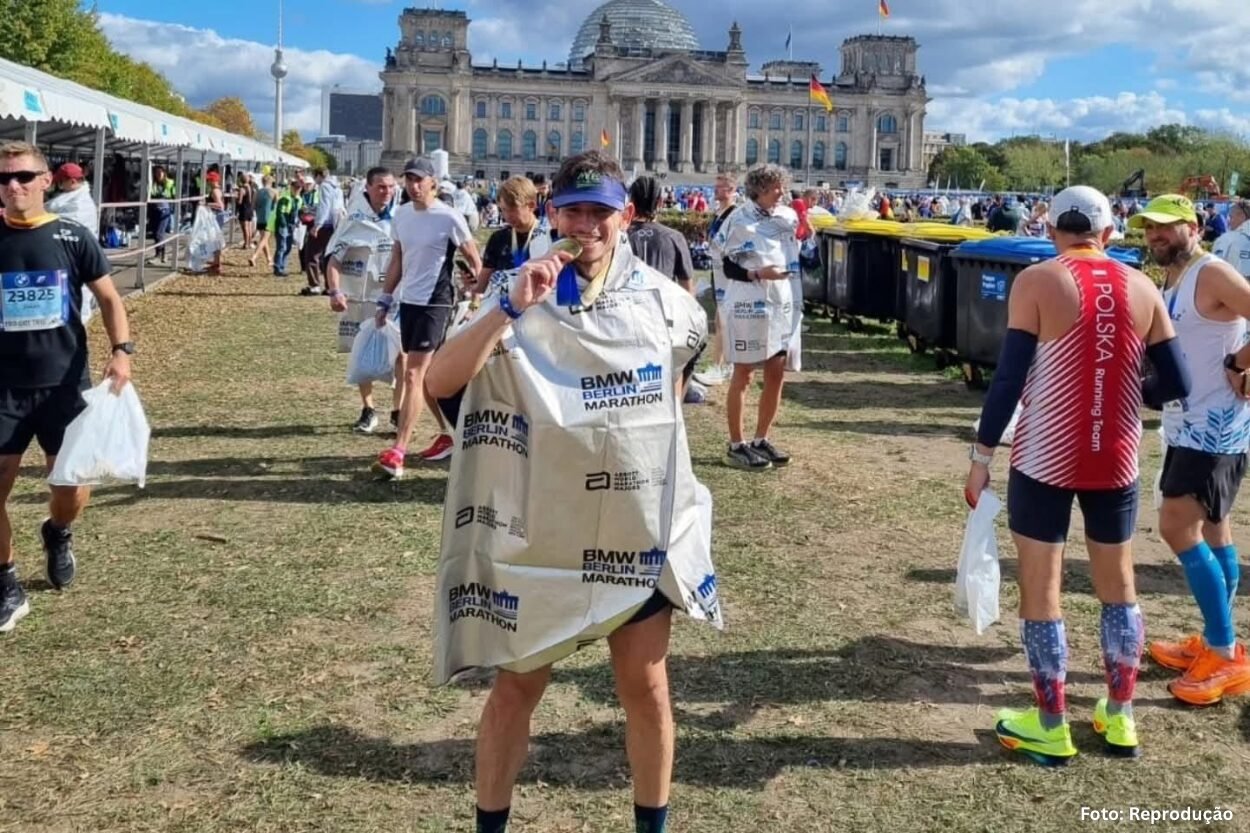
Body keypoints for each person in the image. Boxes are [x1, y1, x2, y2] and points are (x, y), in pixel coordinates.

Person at [423, 149, 719, 833]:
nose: (586, 226)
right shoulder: (517, 288)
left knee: (646, 689)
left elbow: (673, 393)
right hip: (543, 529)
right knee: (516, 688)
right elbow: (440, 381)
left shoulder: (667, 302)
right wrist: (506, 306)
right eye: (574, 210)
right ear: (551, 212)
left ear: (627, 215)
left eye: (600, 211)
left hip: (634, 529)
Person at [965, 185, 1190, 763]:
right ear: (1109, 234)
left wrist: (982, 455)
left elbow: (1009, 379)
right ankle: (1120, 716)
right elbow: (1178, 384)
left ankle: (1051, 723)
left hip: (1044, 455)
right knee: (1119, 585)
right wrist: (1119, 390)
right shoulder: (1142, 286)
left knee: (1043, 588)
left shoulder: (1037, 281)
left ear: (1050, 230)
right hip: (1115, 454)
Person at [0, 141, 135, 633]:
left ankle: (58, 532)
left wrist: (122, 352)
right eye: (3, 179)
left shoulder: (74, 237)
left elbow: (110, 299)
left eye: (22, 177)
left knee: (70, 487)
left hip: (62, 383)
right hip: (4, 387)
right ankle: (7, 581)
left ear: (46, 181)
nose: (12, 186)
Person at [1130, 194, 1250, 706]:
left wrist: (1242, 361)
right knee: (1214, 529)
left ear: (1193, 226)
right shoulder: (1175, 278)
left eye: (1165, 226)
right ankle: (1218, 638)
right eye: (1148, 228)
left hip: (1215, 427)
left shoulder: (1212, 272)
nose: (1154, 235)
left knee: (1176, 525)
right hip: (1189, 423)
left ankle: (1223, 654)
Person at [372, 157, 482, 478]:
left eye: (419, 179)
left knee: (412, 374)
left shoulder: (449, 217)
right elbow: (398, 258)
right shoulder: (402, 215)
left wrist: (477, 294)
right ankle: (453, 432)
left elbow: (474, 260)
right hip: (410, 302)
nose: (413, 185)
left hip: (437, 302)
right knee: (428, 378)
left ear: (433, 182)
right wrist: (385, 297)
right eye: (409, 179)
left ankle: (398, 451)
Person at [715, 164, 799, 471]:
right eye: (774, 187)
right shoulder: (739, 219)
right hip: (749, 302)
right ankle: (737, 444)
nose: (781, 192)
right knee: (745, 374)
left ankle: (761, 438)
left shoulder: (787, 217)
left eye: (781, 186)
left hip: (780, 303)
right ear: (758, 190)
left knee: (776, 372)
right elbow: (727, 266)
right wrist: (757, 273)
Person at [325, 167, 403, 434]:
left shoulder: (402, 218)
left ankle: (398, 410)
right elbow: (334, 260)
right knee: (361, 354)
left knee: (401, 355)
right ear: (367, 188)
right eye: (381, 187)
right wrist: (335, 291)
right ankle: (368, 409)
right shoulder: (354, 220)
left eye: (391, 187)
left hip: (395, 298)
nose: (387, 192)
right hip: (361, 298)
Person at [693, 173, 739, 388]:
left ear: (730, 190)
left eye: (720, 187)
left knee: (724, 321)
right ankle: (721, 364)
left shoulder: (734, 214)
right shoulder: (720, 213)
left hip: (727, 273)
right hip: (718, 270)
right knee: (721, 320)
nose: (715, 190)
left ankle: (722, 366)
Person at [476, 176, 548, 294]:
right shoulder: (498, 238)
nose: (507, 216)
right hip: (502, 308)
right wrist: (471, 284)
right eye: (503, 210)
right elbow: (481, 285)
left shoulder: (547, 237)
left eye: (513, 209)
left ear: (531, 205)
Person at [626, 176, 695, 295]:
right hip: (664, 309)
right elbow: (687, 289)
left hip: (627, 310)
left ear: (631, 202)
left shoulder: (619, 237)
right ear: (660, 202)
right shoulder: (674, 238)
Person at [1212, 199, 1250, 280]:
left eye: (1231, 217)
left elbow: (1215, 270)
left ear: (1242, 216)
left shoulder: (1226, 239)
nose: (1228, 222)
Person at [148, 165, 177, 262]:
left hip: (164, 210)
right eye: (156, 172)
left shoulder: (170, 183)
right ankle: (160, 254)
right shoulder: (152, 183)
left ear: (164, 173)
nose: (158, 174)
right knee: (156, 234)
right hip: (154, 210)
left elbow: (174, 196)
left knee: (159, 233)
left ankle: (160, 254)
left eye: (160, 172)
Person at [249, 175, 277, 270]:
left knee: (263, 239)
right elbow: (277, 205)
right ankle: (254, 257)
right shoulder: (274, 191)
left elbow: (252, 206)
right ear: (271, 182)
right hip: (269, 218)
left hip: (260, 217)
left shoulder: (257, 192)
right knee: (264, 239)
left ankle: (269, 259)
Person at [204, 170, 226, 276]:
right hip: (218, 216)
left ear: (213, 180)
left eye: (209, 180)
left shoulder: (215, 191)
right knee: (215, 240)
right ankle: (216, 262)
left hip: (217, 216)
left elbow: (220, 206)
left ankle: (217, 264)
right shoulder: (218, 190)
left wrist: (206, 204)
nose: (207, 182)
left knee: (215, 240)